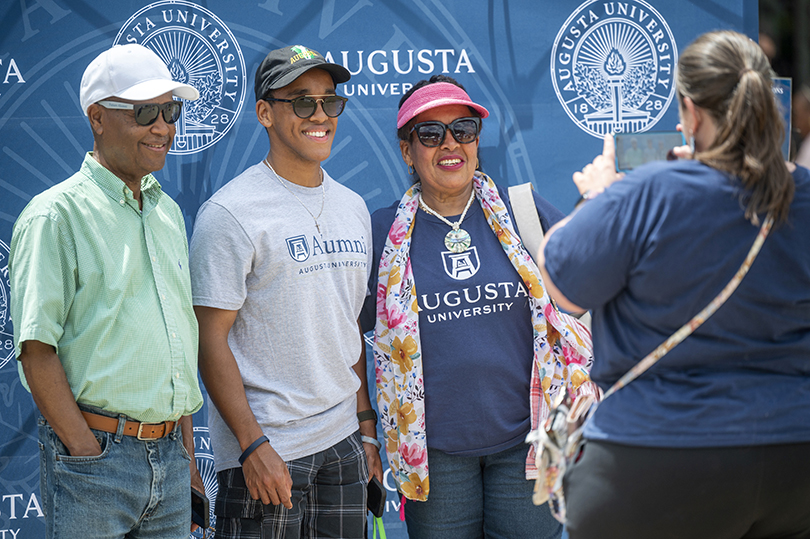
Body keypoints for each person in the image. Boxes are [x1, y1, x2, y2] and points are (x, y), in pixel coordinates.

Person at [539, 30, 810, 538]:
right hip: (794, 458)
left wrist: (600, 198)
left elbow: (563, 284)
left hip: (658, 457)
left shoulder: (648, 193)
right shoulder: (803, 193)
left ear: (690, 112)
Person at [360, 74, 596, 539]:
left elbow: (588, 293)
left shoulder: (522, 211)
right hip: (434, 457)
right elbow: (346, 336)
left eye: (463, 129)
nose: (450, 143)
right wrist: (367, 426)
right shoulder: (382, 233)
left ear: (476, 140)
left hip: (526, 445)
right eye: (430, 134)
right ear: (408, 152)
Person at [9, 43, 205, 538]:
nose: (163, 126)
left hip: (171, 458)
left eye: (170, 110)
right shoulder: (54, 216)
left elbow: (175, 345)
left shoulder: (167, 212)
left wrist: (185, 455)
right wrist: (86, 451)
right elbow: (36, 352)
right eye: (144, 112)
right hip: (96, 461)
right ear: (98, 117)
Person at [189, 44, 382, 539]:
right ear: (264, 113)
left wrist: (365, 433)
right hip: (268, 452)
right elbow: (209, 342)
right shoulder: (230, 213)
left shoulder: (353, 207)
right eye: (301, 101)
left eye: (329, 101)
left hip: (343, 447)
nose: (320, 115)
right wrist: (252, 447)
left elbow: (348, 328)